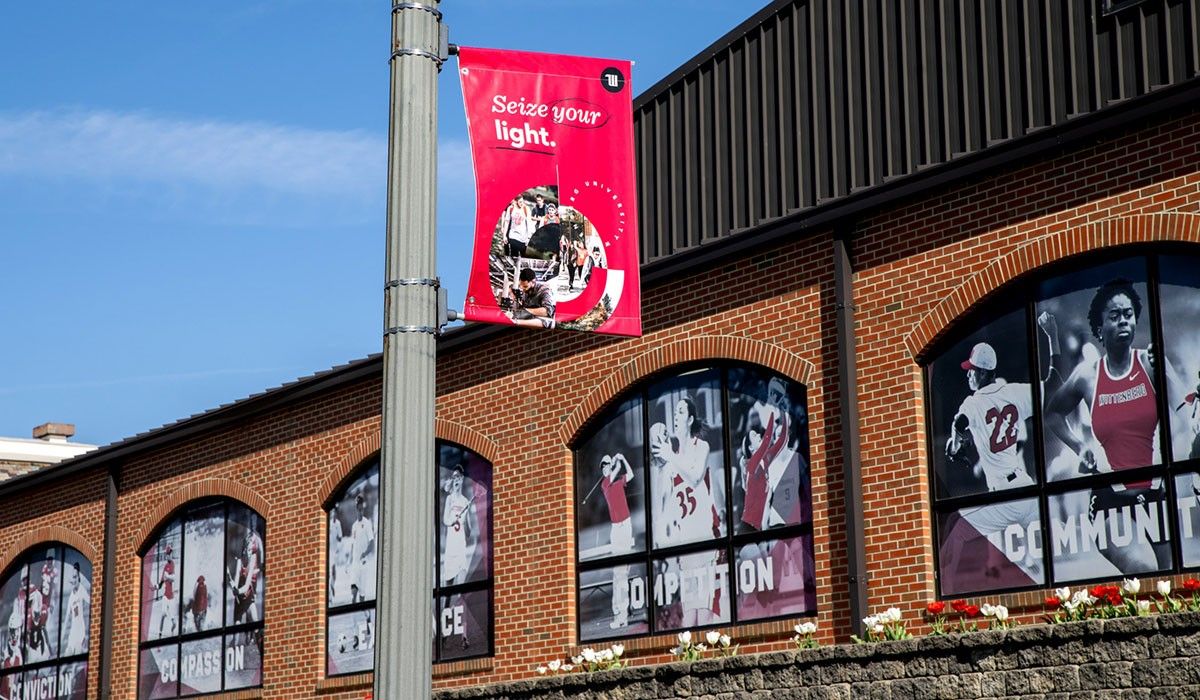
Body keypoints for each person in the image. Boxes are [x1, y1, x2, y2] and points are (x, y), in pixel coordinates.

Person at [1043, 279, 1180, 572]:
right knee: (1143, 571)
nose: (1123, 322)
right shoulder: (1087, 376)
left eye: (1128, 314)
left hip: (1154, 494)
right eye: (1114, 316)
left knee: (1172, 585)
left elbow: (1184, 408)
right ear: (1099, 328)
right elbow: (1052, 413)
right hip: (1110, 500)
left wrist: (1166, 371)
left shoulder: (1149, 363)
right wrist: (1080, 446)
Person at [940, 315, 1060, 584]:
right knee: (1039, 561)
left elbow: (959, 423)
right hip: (1026, 486)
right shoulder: (1015, 392)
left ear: (982, 372)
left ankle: (944, 592)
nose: (968, 374)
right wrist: (1052, 337)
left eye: (971, 369)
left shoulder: (972, 403)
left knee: (958, 531)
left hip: (1005, 494)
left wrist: (957, 444)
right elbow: (1053, 385)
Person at [654, 396, 721, 627]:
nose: (675, 415)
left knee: (705, 614)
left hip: (704, 537)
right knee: (688, 617)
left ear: (690, 418)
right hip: (686, 542)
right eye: (675, 412)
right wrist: (660, 462)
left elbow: (694, 477)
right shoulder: (671, 461)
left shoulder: (701, 447)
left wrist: (670, 456)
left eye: (681, 412)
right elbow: (664, 504)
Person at [599, 453, 635, 628]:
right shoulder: (604, 484)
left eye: (607, 464)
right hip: (616, 529)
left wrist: (623, 458)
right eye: (603, 465)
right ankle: (618, 614)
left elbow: (631, 473)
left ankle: (623, 615)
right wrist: (615, 461)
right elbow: (616, 470)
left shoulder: (619, 481)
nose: (606, 467)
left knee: (624, 572)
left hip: (626, 525)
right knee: (617, 572)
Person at [441, 465, 478, 586]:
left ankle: (459, 605)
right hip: (450, 548)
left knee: (460, 587)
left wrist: (466, 514)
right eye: (453, 477)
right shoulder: (449, 499)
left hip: (461, 547)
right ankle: (447, 605)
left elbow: (468, 533)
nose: (455, 480)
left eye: (457, 477)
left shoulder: (465, 502)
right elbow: (445, 520)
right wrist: (451, 522)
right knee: (447, 589)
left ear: (462, 479)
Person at [228, 529, 263, 625]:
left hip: (248, 591)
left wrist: (237, 590)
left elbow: (247, 585)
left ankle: (254, 637)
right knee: (237, 626)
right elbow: (235, 580)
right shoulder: (240, 560)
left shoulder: (253, 558)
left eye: (250, 550)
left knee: (254, 620)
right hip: (241, 593)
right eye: (247, 549)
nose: (248, 552)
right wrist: (233, 586)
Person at [348, 494, 375, 604]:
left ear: (363, 508)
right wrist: (348, 562)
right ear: (356, 509)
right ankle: (353, 618)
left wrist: (365, 553)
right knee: (353, 591)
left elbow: (372, 543)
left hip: (364, 564)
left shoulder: (367, 523)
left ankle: (366, 617)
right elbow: (353, 545)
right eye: (358, 509)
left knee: (362, 596)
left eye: (361, 509)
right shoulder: (354, 526)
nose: (360, 511)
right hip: (355, 564)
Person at [63, 562, 89, 656]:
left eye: (75, 577)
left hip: (80, 631)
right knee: (67, 655)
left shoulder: (82, 590)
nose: (73, 580)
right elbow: (66, 618)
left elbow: (91, 601)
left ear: (78, 578)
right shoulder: (71, 597)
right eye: (72, 578)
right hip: (72, 633)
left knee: (77, 654)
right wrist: (62, 635)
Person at [154, 544, 178, 637]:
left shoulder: (173, 564)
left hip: (172, 597)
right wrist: (156, 586)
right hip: (165, 595)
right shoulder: (165, 567)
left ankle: (172, 631)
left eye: (170, 553)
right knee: (163, 614)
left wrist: (168, 576)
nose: (169, 555)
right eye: (167, 554)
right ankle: (160, 633)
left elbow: (174, 577)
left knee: (174, 622)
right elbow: (161, 582)